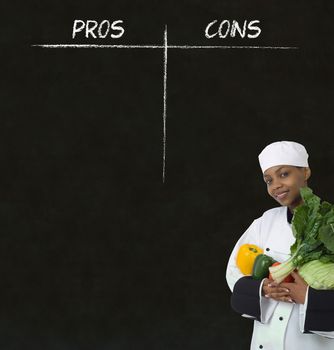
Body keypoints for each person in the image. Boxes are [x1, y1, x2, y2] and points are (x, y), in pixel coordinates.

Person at [226, 141, 334, 350]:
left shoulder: (330, 223)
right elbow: (233, 271)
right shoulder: (264, 223)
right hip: (265, 341)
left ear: (305, 171)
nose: (275, 185)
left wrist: (310, 298)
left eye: (284, 174)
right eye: (268, 180)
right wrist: (261, 289)